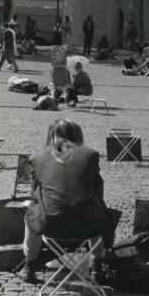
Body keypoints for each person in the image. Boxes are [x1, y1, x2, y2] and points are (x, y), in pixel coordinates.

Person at [19, 119, 115, 283]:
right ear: (78, 135)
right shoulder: (91, 155)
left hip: (50, 225)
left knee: (31, 217)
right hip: (88, 226)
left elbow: (35, 194)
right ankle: (97, 267)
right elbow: (98, 191)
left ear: (52, 136)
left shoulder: (37, 157)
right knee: (95, 212)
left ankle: (29, 266)